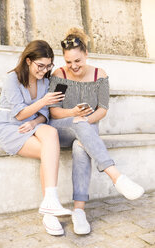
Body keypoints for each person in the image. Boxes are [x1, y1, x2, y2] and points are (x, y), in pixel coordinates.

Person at [48, 28, 145, 235]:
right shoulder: (61, 75)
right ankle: (117, 177)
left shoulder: (98, 75)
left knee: (80, 145)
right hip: (60, 130)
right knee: (79, 126)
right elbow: (54, 112)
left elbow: (103, 109)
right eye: (68, 61)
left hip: (86, 131)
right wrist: (74, 115)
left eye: (77, 61)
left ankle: (79, 211)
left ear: (86, 55)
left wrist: (84, 120)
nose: (73, 66)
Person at [0, 40, 71, 236]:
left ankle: (50, 202)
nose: (44, 70)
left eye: (49, 66)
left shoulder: (45, 81)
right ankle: (50, 211)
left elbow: (44, 113)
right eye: (40, 65)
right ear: (28, 61)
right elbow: (19, 114)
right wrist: (44, 101)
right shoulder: (13, 79)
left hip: (33, 125)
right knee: (49, 153)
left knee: (51, 132)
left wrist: (35, 123)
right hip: (11, 128)